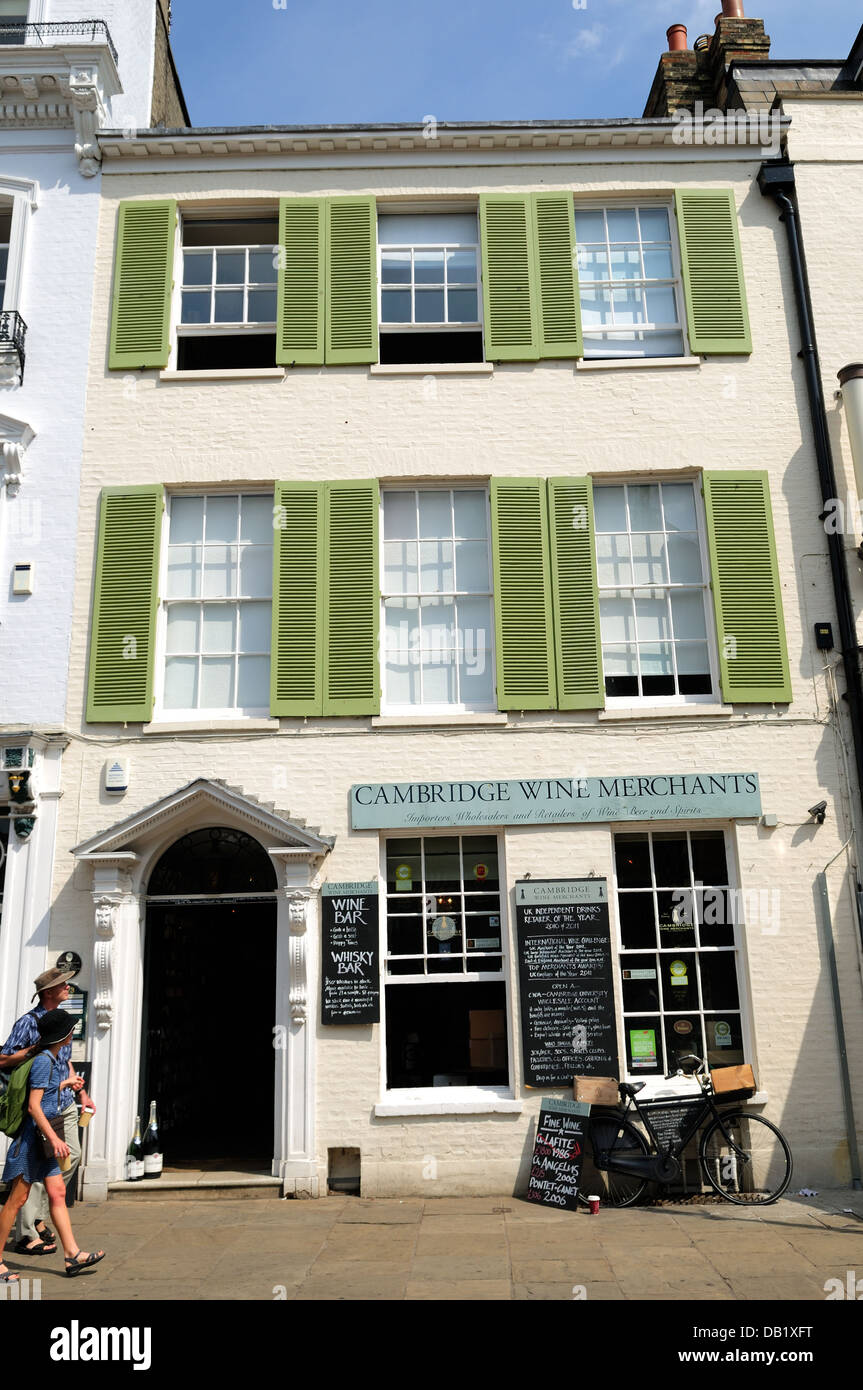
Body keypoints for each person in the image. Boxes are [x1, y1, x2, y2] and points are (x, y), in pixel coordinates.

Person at [0, 1010, 105, 1282]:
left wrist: (66, 1083)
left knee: (57, 1192)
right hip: (33, 1142)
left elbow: (42, 1093)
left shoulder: (48, 1058)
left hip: (42, 1141)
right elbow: (34, 1107)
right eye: (70, 1031)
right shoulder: (45, 1061)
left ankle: (72, 1254)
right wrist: (57, 1138)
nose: (72, 1035)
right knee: (16, 1200)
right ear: (63, 1036)